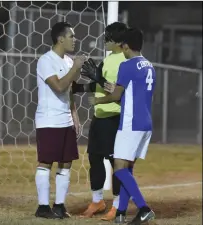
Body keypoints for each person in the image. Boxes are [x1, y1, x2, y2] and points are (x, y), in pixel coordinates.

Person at [89, 27, 156, 224]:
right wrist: (108, 85)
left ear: (125, 45)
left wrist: (99, 101)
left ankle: (144, 208)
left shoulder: (127, 65)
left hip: (130, 122)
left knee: (118, 168)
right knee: (127, 168)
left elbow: (117, 96)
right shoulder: (149, 65)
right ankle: (121, 213)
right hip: (145, 122)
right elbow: (131, 92)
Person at [72, 22, 129, 221]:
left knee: (116, 163)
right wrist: (78, 88)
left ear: (119, 41)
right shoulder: (108, 59)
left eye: (108, 37)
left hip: (115, 118)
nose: (104, 40)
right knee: (94, 160)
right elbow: (99, 84)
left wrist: (97, 77)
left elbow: (117, 92)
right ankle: (97, 201)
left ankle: (117, 204)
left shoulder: (125, 61)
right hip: (99, 117)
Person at [34, 21, 86, 219]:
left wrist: (75, 114)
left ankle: (59, 206)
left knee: (66, 163)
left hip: (65, 119)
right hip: (49, 120)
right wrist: (76, 67)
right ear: (60, 39)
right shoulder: (46, 60)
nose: (75, 39)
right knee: (46, 162)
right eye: (72, 36)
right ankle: (43, 207)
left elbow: (71, 90)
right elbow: (59, 86)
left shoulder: (68, 61)